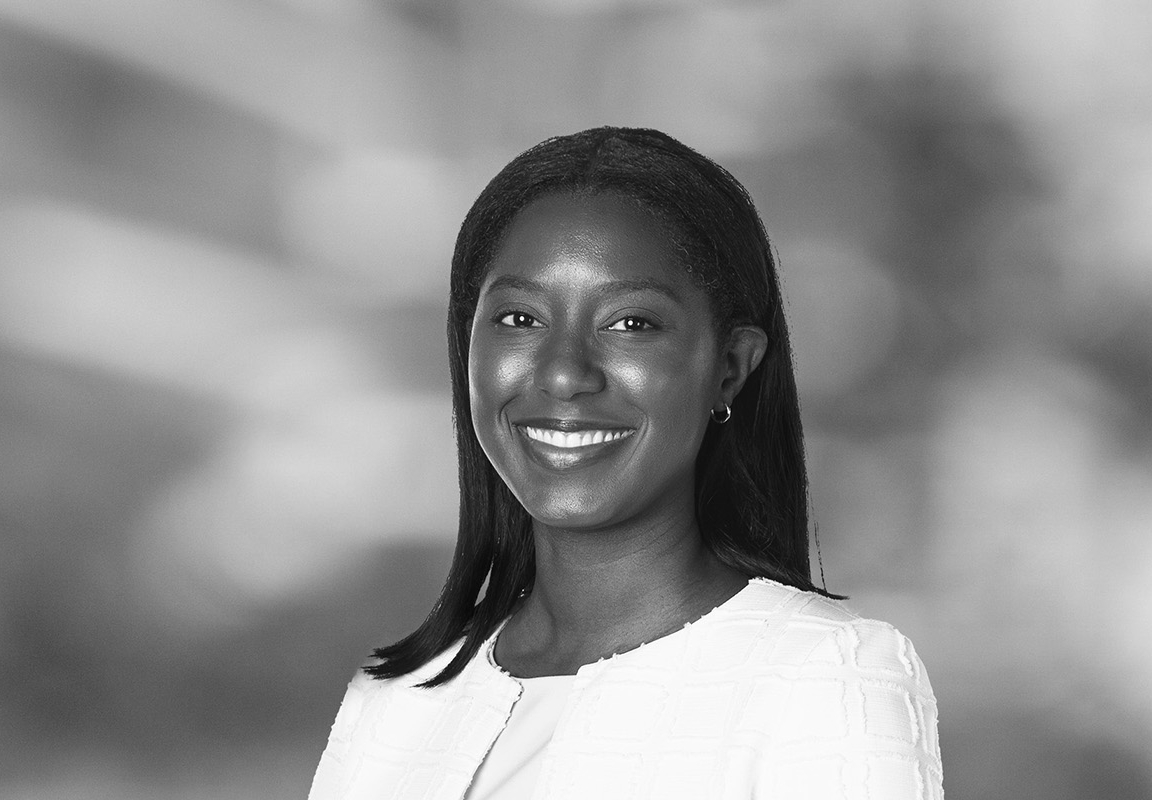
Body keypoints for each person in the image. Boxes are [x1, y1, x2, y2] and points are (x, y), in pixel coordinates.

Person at [308, 127, 943, 800]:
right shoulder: (394, 705)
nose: (563, 375)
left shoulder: (827, 675)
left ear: (730, 368)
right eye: (519, 319)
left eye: (631, 324)